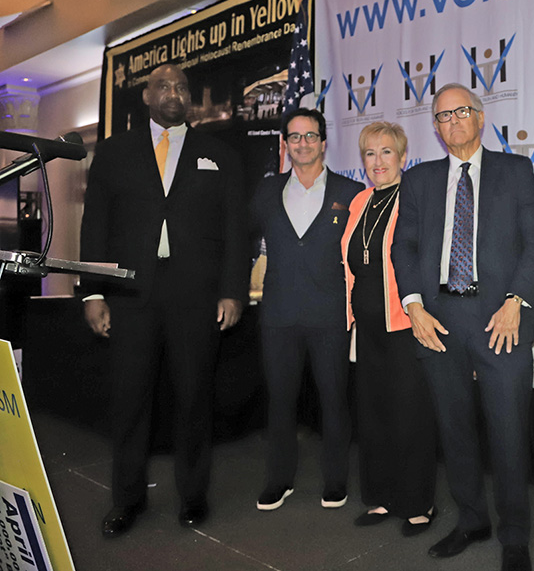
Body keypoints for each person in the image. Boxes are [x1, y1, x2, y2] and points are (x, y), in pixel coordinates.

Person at [80, 63, 249, 537]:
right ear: (147, 97)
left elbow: (236, 229)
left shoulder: (219, 154)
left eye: (181, 87)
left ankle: (193, 496)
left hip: (196, 298)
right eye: (163, 86)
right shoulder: (113, 154)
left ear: (189, 98)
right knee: (130, 401)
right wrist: (93, 292)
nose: (173, 92)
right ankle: (127, 500)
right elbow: (94, 226)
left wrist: (234, 290)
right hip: (130, 296)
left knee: (193, 398)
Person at [392, 83, 534, 571]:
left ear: (481, 118)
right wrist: (414, 306)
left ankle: (515, 535)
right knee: (454, 429)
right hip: (438, 321)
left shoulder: (515, 170)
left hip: (501, 317)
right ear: (435, 129)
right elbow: (405, 248)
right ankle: (472, 519)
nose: (453, 121)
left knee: (507, 431)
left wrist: (516, 302)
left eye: (462, 112)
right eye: (443, 116)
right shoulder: (418, 180)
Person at [249, 108, 363, 512]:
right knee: (280, 401)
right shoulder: (266, 191)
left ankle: (335, 481)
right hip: (278, 316)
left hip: (331, 316)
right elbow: (246, 241)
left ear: (324, 141)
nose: (302, 143)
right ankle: (280, 480)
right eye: (294, 137)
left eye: (310, 136)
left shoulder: (352, 193)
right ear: (285, 144)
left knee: (334, 400)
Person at [340, 121, 437, 536]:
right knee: (373, 412)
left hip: (403, 323)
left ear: (401, 156)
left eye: (386, 152)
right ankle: (380, 497)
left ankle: (418, 503)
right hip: (366, 325)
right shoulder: (360, 201)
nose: (377, 161)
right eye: (369, 153)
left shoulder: (413, 197)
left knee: (410, 414)